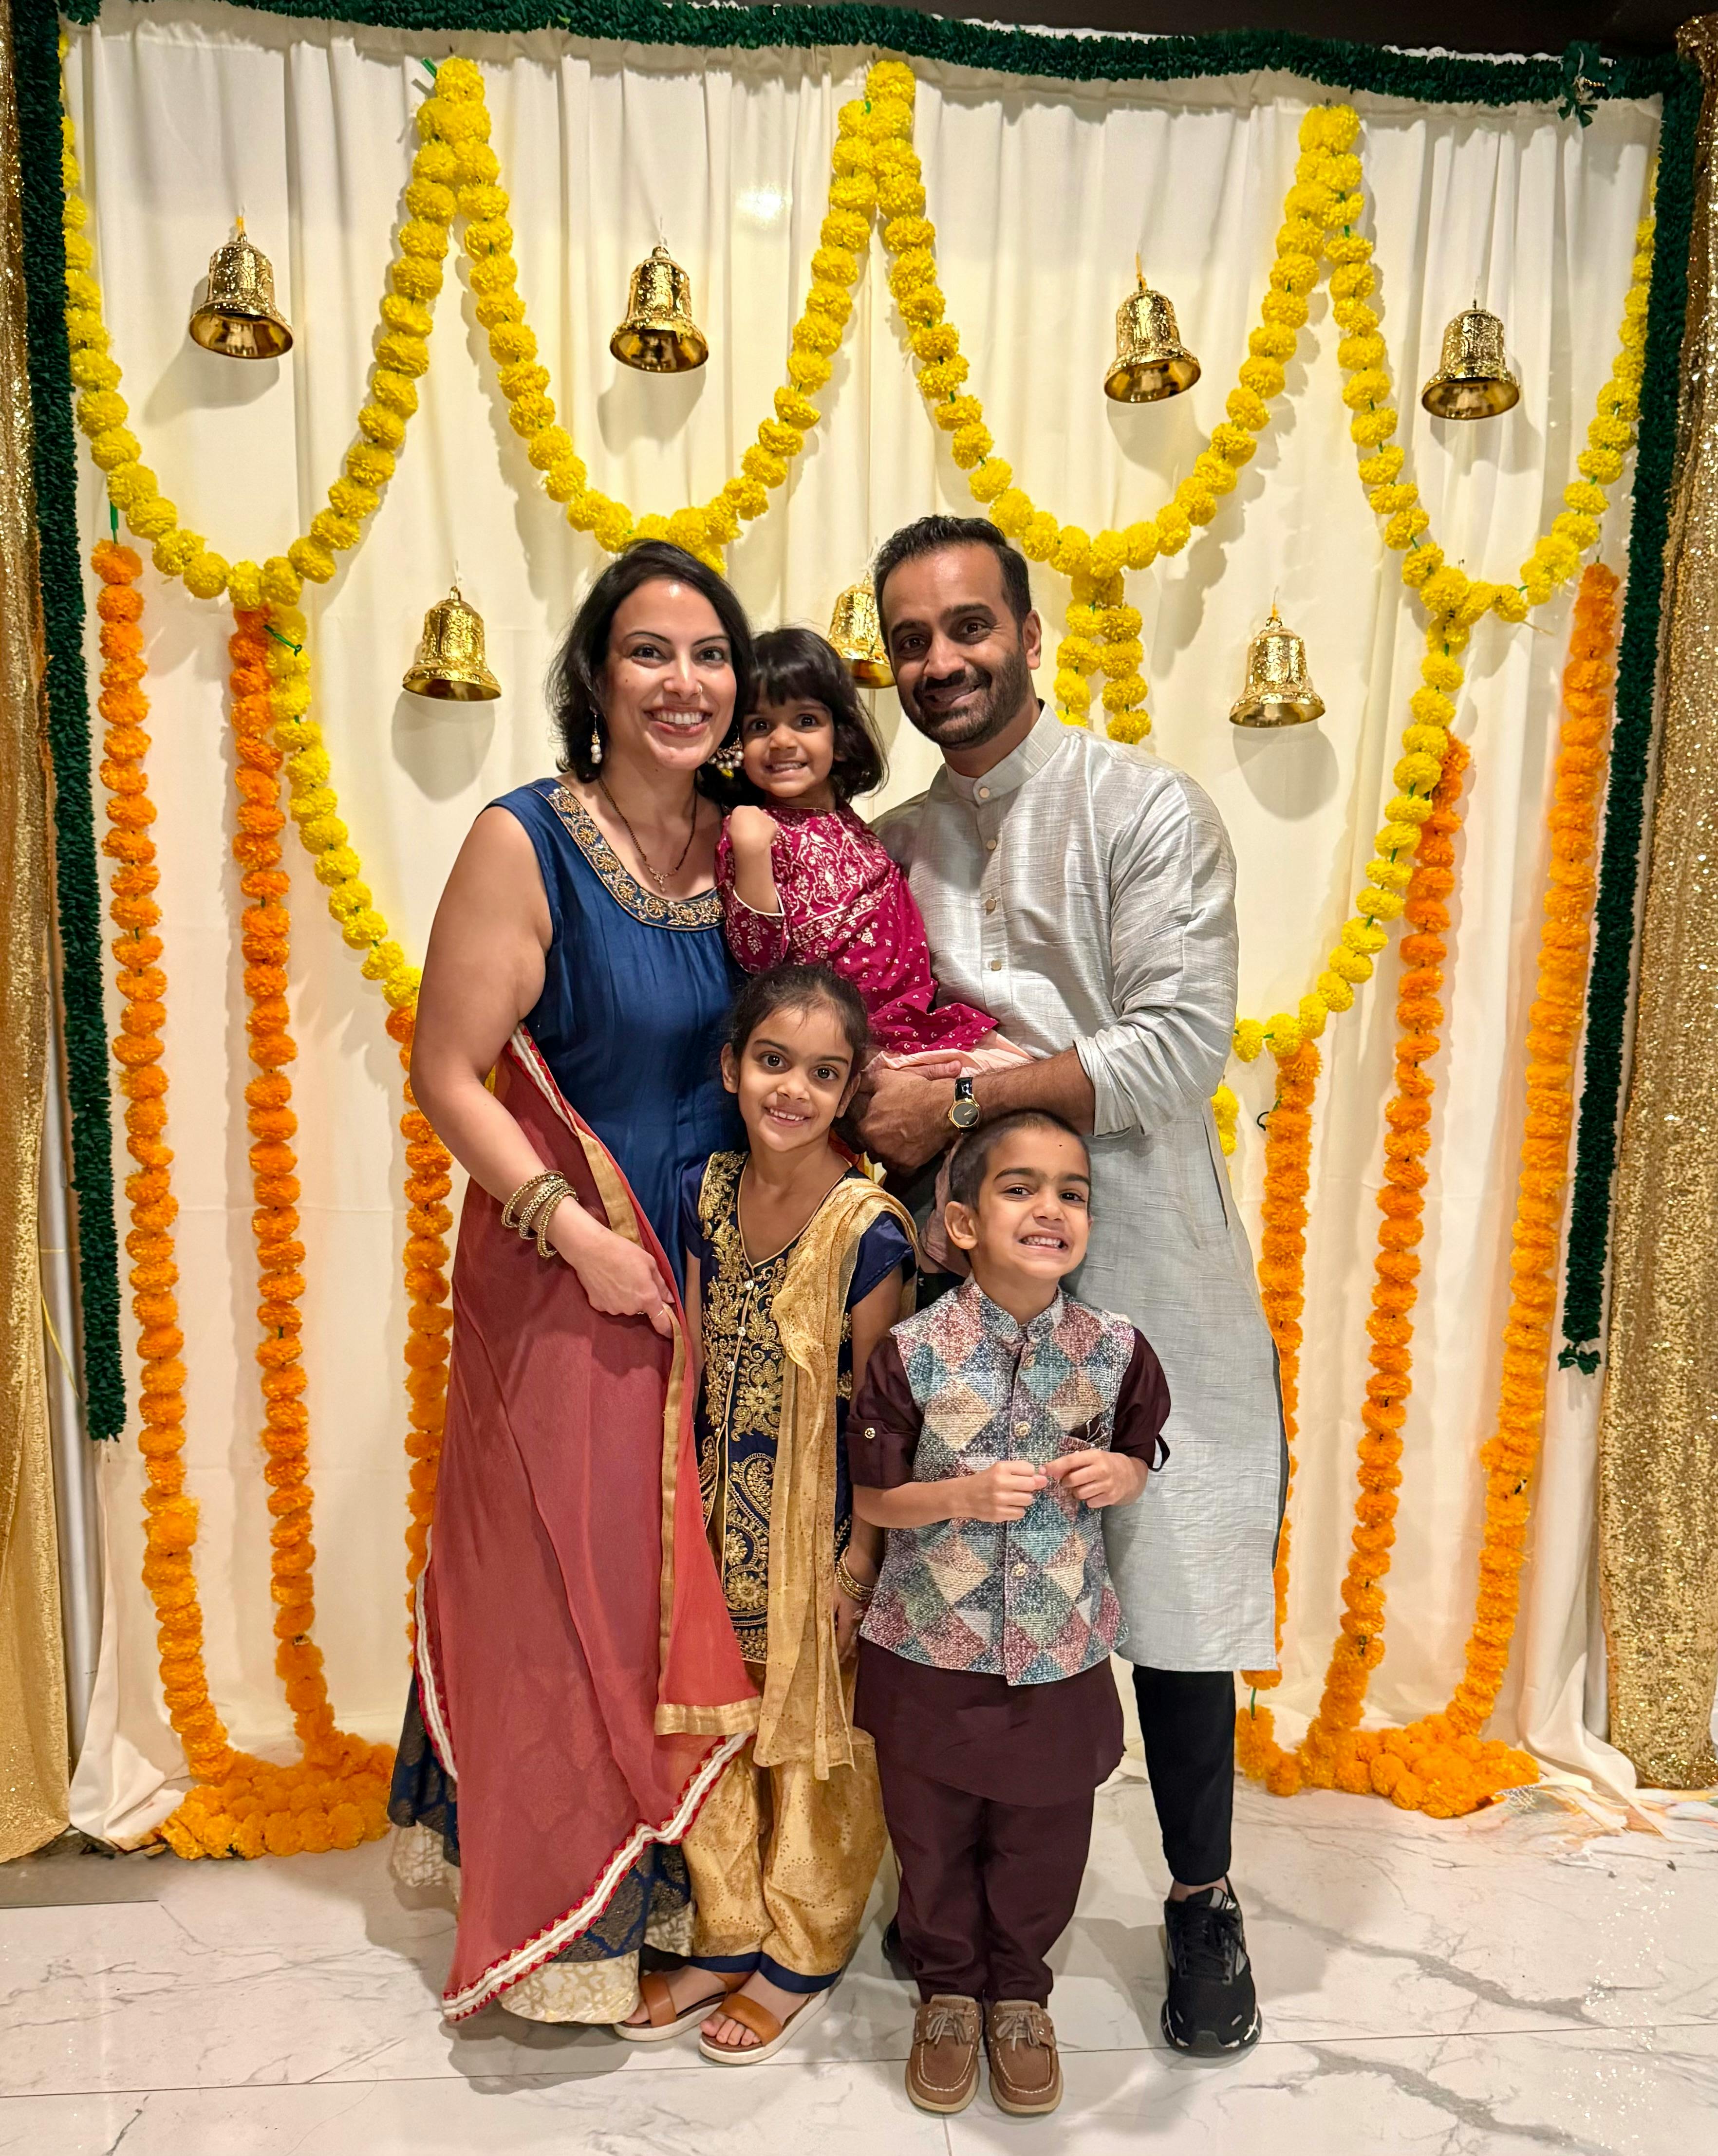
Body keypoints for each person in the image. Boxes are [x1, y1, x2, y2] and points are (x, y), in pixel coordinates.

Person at [857, 514, 1286, 2058]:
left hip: (1144, 1251)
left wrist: (959, 1105)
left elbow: (1176, 1047)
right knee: (958, 1587)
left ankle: (1201, 1899)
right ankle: (954, 1906)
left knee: (1167, 1586)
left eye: (969, 628)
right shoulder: (893, 849)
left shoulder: (1140, 809)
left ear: (1031, 637)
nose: (942, 662)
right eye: (911, 640)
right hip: (962, 1282)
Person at [387, 541, 761, 2027]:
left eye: (712, 656)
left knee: (700, 1586)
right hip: (572, 1262)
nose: (686, 684)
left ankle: (701, 1891)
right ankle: (573, 1924)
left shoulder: (751, 843)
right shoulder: (523, 840)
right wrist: (573, 1231)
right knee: (571, 1580)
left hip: (720, 1264)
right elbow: (445, 1074)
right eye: (651, 654)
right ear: (597, 677)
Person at [848, 1109, 1170, 2116]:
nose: (1050, 1209)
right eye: (1019, 1188)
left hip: (1058, 1651)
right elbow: (868, 1498)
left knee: (1045, 1835)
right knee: (932, 1833)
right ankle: (948, 1990)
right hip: (928, 1653)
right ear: (960, 1223)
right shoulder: (911, 1352)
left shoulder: (1117, 1351)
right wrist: (957, 1496)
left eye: (1071, 1192)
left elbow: (1145, 1451)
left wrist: (1120, 1470)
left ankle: (1020, 1995)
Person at [623, 965, 915, 2062]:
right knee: (713, 1736)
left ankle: (801, 1949)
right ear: (732, 1069)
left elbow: (884, 1417)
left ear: (850, 1092)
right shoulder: (701, 1190)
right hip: (709, 1524)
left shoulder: (868, 1227)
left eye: (824, 1073)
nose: (793, 1089)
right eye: (773, 1062)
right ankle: (723, 1932)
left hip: (814, 1537)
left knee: (816, 1744)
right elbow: (686, 1367)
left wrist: (858, 1564)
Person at [715, 625, 1029, 1073]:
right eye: (760, 726)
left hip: (915, 1024)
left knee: (1019, 1089)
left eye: (806, 721)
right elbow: (758, 959)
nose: (782, 741)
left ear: (840, 739)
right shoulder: (755, 829)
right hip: (845, 1045)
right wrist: (749, 850)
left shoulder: (853, 822)